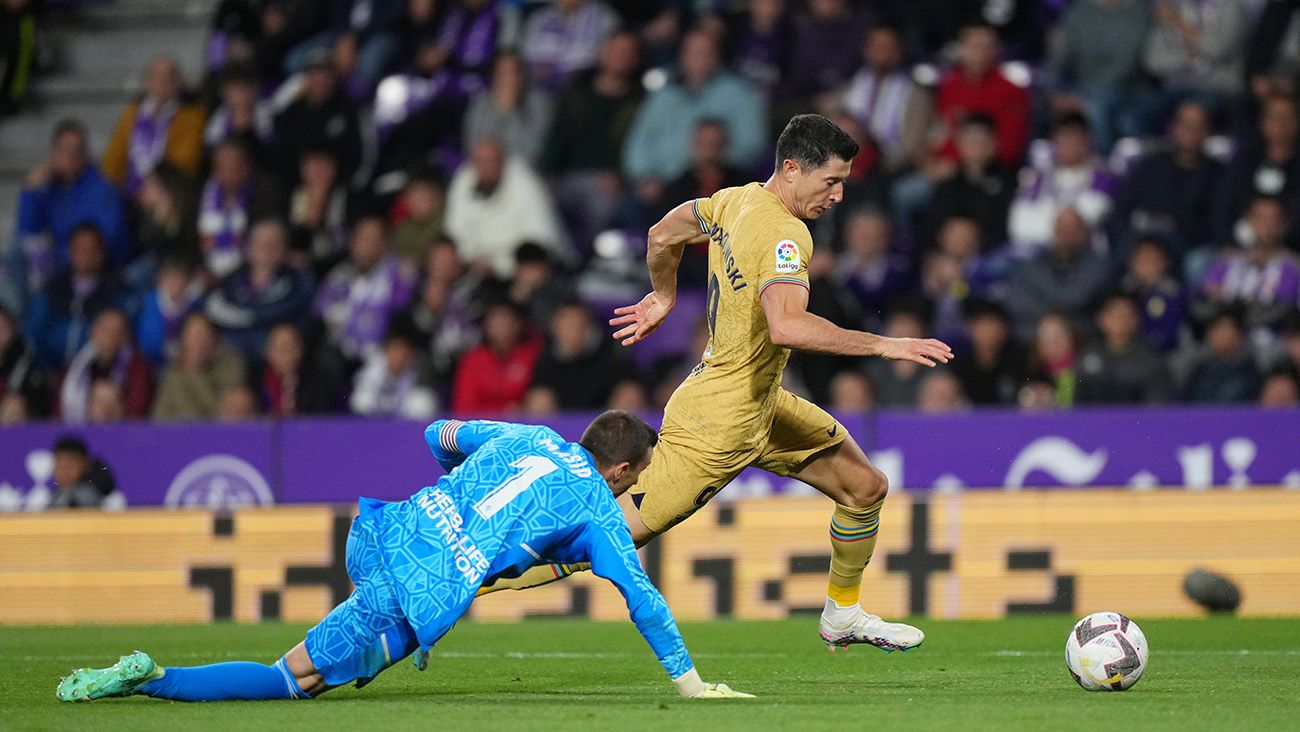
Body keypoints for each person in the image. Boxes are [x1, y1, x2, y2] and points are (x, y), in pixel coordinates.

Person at [482, 115, 951, 653]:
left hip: (761, 404)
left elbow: (664, 233)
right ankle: (460, 569)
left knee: (865, 488)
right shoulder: (785, 233)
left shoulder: (735, 200)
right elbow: (787, 325)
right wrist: (886, 344)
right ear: (793, 169)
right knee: (601, 535)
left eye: (844, 182)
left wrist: (662, 294)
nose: (839, 195)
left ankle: (842, 614)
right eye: (831, 181)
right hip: (719, 425)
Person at [55, 412, 752, 702]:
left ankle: (409, 633)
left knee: (343, 666)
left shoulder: (528, 436)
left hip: (379, 531)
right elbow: (642, 596)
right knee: (291, 677)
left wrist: (457, 488)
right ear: (625, 469)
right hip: (416, 584)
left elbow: (437, 434)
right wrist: (691, 684)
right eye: (641, 474)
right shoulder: (600, 508)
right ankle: (153, 677)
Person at [9, 120, 129, 309]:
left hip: (95, 268)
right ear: (54, 153)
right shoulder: (52, 187)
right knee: (14, 252)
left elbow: (106, 242)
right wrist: (30, 191)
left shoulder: (101, 188)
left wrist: (69, 260)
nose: (72, 156)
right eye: (65, 149)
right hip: (59, 268)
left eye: (78, 150)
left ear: (86, 154)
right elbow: (26, 232)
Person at [101, 57, 207, 194]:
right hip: (130, 194)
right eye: (154, 77)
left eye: (166, 77)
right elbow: (113, 159)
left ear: (178, 82)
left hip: (169, 194)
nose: (160, 83)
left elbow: (184, 165)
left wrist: (153, 190)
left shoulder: (192, 116)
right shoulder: (133, 111)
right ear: (146, 83)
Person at [48, 435, 119, 510]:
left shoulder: (86, 495)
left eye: (70, 465)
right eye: (61, 465)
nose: (64, 472)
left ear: (84, 465)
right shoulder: (57, 495)